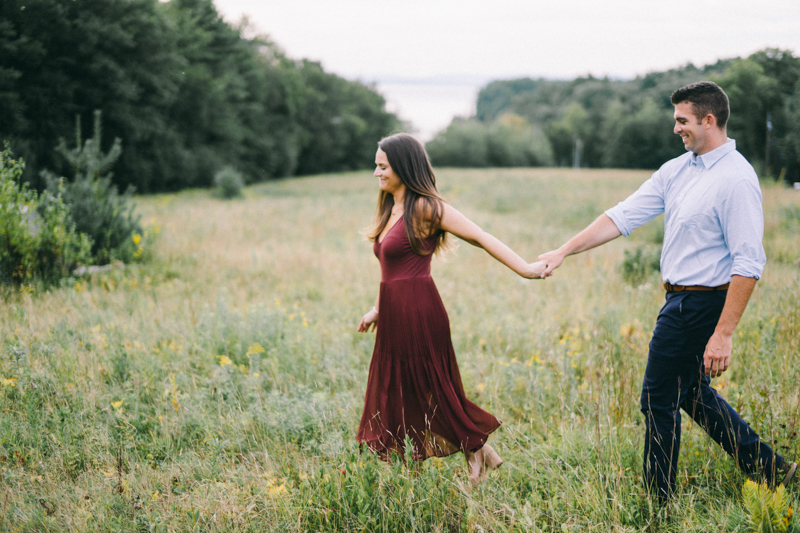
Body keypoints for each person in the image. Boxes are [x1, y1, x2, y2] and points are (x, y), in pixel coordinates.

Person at [537, 81, 797, 502]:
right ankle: (772, 469)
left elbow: (749, 263)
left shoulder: (736, 180)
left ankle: (661, 501)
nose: (676, 128)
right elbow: (622, 216)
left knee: (657, 398)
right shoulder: (678, 169)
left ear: (708, 121)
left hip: (702, 301)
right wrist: (564, 251)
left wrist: (724, 333)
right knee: (691, 394)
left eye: (682, 120)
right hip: (677, 297)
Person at [356, 133, 545, 485]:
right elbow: (390, 273)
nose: (376, 173)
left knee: (433, 387)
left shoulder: (426, 207)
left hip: (419, 311)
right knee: (405, 388)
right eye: (377, 165)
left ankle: (476, 452)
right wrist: (377, 309)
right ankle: (481, 454)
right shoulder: (389, 207)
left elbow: (481, 236)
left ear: (404, 167)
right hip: (394, 313)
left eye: (383, 166)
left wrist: (525, 269)